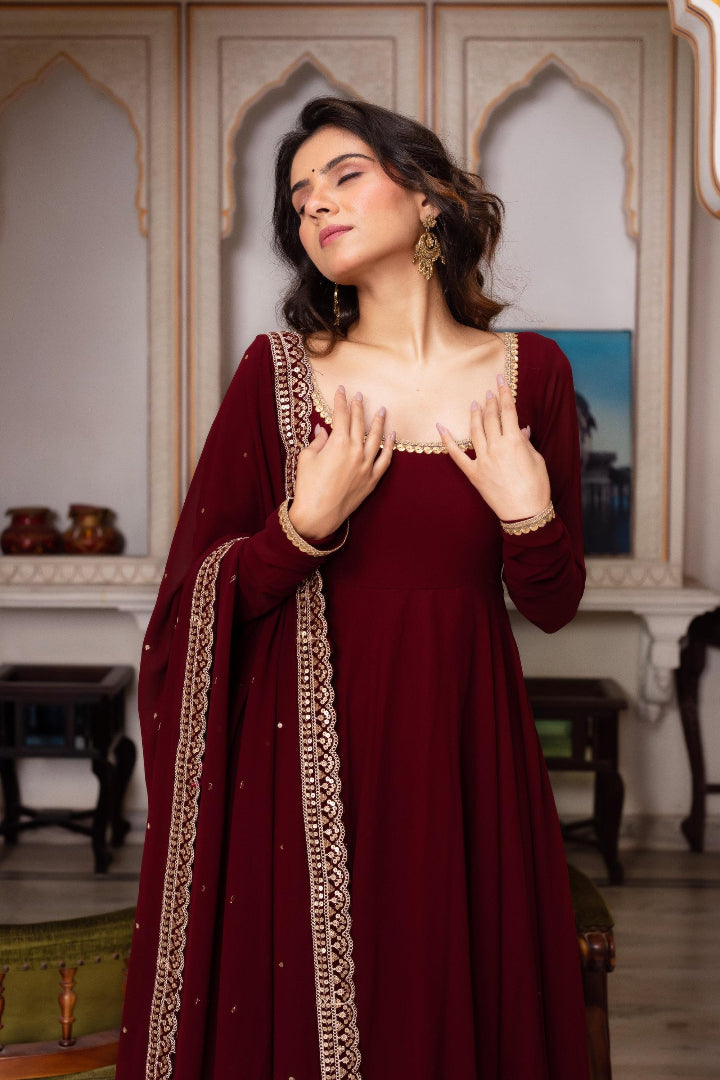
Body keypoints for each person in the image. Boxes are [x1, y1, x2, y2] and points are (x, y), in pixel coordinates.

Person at [117, 97, 589, 1080]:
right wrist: (303, 528)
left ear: (424, 198)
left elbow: (550, 602)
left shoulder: (530, 375)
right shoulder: (280, 377)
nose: (314, 208)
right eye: (297, 199)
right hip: (307, 767)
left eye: (342, 177)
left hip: (469, 750)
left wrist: (525, 510)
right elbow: (193, 602)